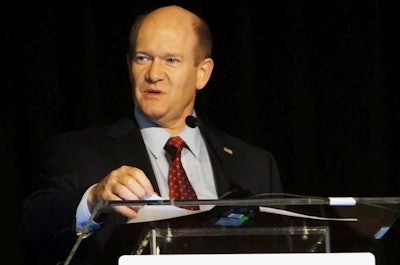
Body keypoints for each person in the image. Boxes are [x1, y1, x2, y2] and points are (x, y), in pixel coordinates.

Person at [19, 4, 282, 265]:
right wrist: (94, 199)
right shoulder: (79, 153)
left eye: (171, 60)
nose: (154, 74)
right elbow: (34, 231)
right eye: (142, 58)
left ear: (202, 73)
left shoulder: (253, 165)